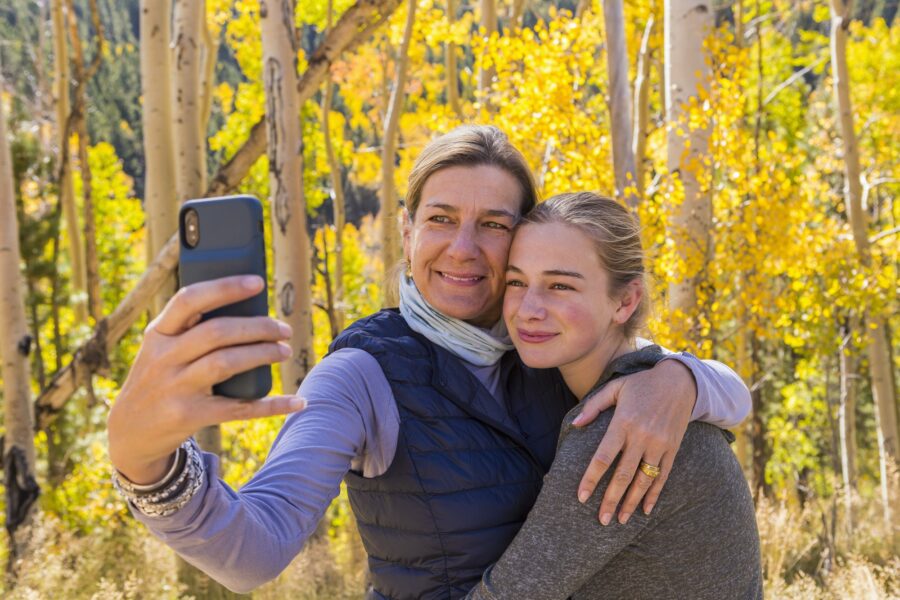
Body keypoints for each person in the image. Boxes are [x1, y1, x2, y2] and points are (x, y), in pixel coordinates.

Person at [107, 126, 751, 598]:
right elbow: (255, 550)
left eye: (494, 225)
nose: (464, 249)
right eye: (441, 219)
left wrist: (679, 379)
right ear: (409, 230)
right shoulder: (363, 374)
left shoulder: (546, 344)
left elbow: (732, 394)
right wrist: (145, 463)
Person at [466, 192, 762, 600]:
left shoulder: (619, 431)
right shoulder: (653, 391)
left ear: (625, 301)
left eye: (559, 285)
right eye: (517, 281)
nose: (528, 308)